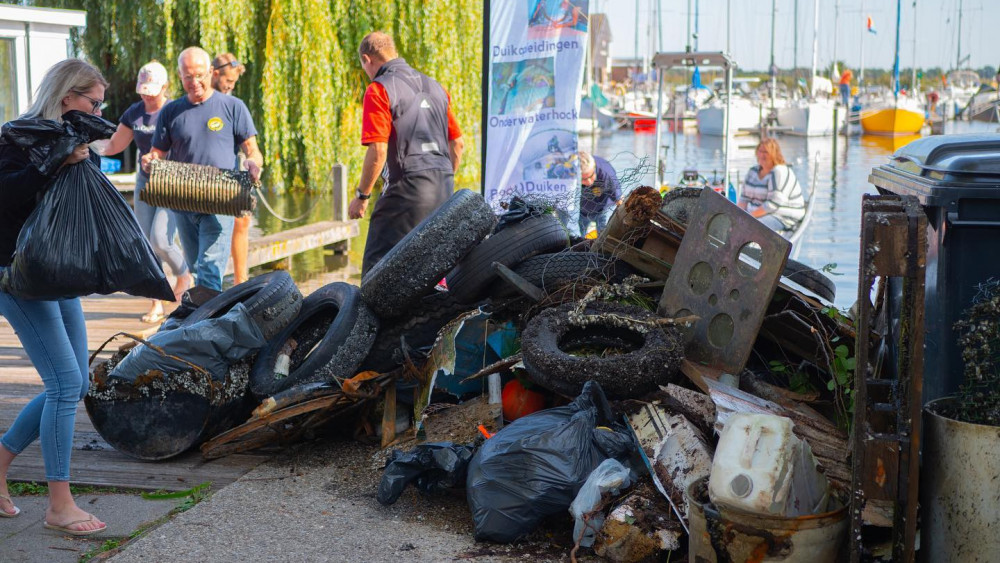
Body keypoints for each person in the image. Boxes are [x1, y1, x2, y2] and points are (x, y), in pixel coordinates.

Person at [0, 58, 108, 535]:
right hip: (17, 274)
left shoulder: (77, 140)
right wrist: (54, 161)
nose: (98, 110)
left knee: (75, 382)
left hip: (59, 274)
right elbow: (5, 197)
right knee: (65, 384)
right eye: (92, 101)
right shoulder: (16, 137)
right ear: (67, 96)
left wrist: (85, 157)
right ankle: (59, 505)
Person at [142, 47, 263, 291]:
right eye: (188, 77)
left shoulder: (233, 107)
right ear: (179, 76)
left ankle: (208, 325)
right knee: (196, 266)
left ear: (210, 72)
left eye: (200, 75)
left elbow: (253, 150)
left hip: (221, 198)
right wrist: (149, 160)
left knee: (210, 268)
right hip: (183, 200)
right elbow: (158, 153)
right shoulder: (171, 111)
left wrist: (253, 163)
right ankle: (205, 319)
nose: (195, 82)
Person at [348, 31, 464, 276]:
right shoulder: (437, 87)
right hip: (444, 188)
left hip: (406, 190)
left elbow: (378, 151)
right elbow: (458, 144)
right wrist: (442, 180)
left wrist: (362, 196)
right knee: (430, 271)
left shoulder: (379, 89)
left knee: (375, 274)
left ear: (367, 60)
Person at [103, 61, 192, 323]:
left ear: (165, 87)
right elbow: (114, 145)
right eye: (143, 90)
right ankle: (156, 302)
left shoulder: (175, 110)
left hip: (173, 182)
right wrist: (86, 146)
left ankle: (184, 275)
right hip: (145, 181)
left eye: (151, 90)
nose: (146, 95)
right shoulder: (135, 113)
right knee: (145, 244)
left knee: (161, 239)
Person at [211, 53, 251, 285]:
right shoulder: (204, 100)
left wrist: (251, 159)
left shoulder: (233, 103)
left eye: (234, 83)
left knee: (241, 220)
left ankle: (240, 280)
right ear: (215, 74)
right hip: (206, 175)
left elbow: (245, 140)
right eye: (228, 81)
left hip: (232, 168)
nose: (231, 86)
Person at [738, 138, 805, 235]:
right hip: (756, 214)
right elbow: (744, 199)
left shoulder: (780, 171)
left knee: (754, 227)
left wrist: (750, 217)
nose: (762, 155)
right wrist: (737, 216)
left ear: (774, 154)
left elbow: (773, 204)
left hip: (781, 216)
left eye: (766, 152)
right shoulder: (753, 171)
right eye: (760, 151)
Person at [577, 151, 620, 236]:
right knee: (580, 237)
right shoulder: (571, 175)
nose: (589, 182)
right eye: (584, 179)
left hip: (601, 210)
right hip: (581, 212)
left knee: (602, 236)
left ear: (594, 167)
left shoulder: (607, 173)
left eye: (591, 176)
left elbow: (619, 200)